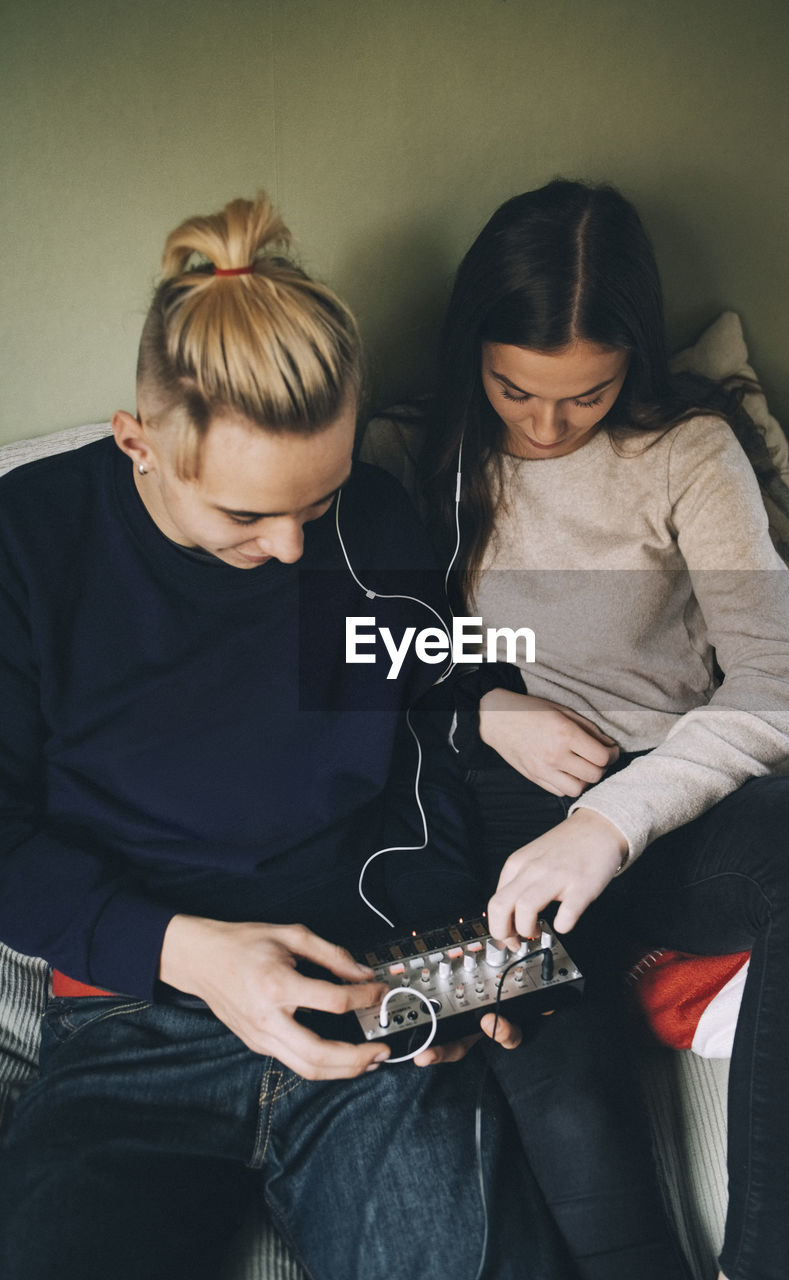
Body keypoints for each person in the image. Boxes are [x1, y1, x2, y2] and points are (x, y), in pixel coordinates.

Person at [0, 194, 569, 1280]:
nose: (298, 546)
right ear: (139, 443)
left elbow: (428, 722)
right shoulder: (31, 543)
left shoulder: (376, 523)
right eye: (247, 518)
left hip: (362, 993)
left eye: (323, 494)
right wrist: (192, 952)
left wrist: (445, 968)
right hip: (132, 1026)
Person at [364, 178, 789, 1280]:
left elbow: (780, 681)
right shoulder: (412, 453)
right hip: (492, 838)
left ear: (631, 357)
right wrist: (486, 703)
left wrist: (610, 820)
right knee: (563, 1095)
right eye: (513, 389)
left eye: (584, 396)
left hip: (659, 798)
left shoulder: (687, 449)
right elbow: (340, 647)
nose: (543, 424)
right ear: (471, 355)